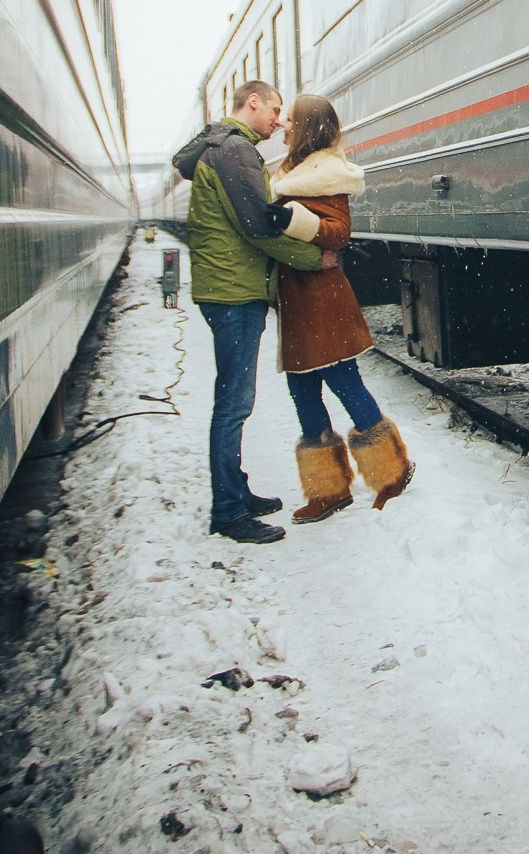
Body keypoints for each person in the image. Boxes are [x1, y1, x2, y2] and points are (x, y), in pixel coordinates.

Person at [173, 80, 324, 543]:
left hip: (228, 290)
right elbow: (258, 227)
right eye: (275, 108)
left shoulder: (220, 146)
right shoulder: (235, 150)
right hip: (234, 294)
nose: (279, 119)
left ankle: (236, 490)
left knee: (234, 400)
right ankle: (228, 512)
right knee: (234, 404)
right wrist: (318, 258)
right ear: (252, 102)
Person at [265, 94, 414, 521]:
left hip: (321, 299)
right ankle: (329, 489)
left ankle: (391, 473)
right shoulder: (292, 171)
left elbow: (338, 232)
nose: (284, 126)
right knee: (302, 389)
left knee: (343, 381)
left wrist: (293, 220)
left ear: (307, 127)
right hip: (298, 300)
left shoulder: (325, 174)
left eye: (290, 120)